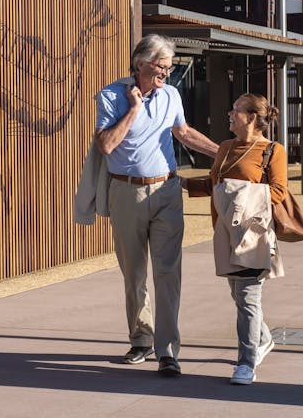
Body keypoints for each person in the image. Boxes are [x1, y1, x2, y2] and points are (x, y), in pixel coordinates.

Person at [94, 34, 218, 376]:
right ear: (141, 63)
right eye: (161, 66)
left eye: (169, 66)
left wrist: (225, 153)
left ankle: (167, 350)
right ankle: (140, 340)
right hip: (126, 193)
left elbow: (185, 133)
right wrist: (134, 109)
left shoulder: (172, 94)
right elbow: (106, 145)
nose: (167, 72)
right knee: (134, 273)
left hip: (166, 190)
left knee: (168, 272)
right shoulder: (111, 96)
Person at [182, 93, 287, 385]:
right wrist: (181, 182)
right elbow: (216, 184)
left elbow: (278, 192)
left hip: (253, 234)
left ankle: (246, 362)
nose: (230, 113)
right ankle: (264, 338)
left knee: (247, 299)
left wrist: (237, 194)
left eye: (236, 110)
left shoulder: (272, 151)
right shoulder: (226, 147)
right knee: (239, 297)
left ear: (252, 117)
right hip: (225, 232)